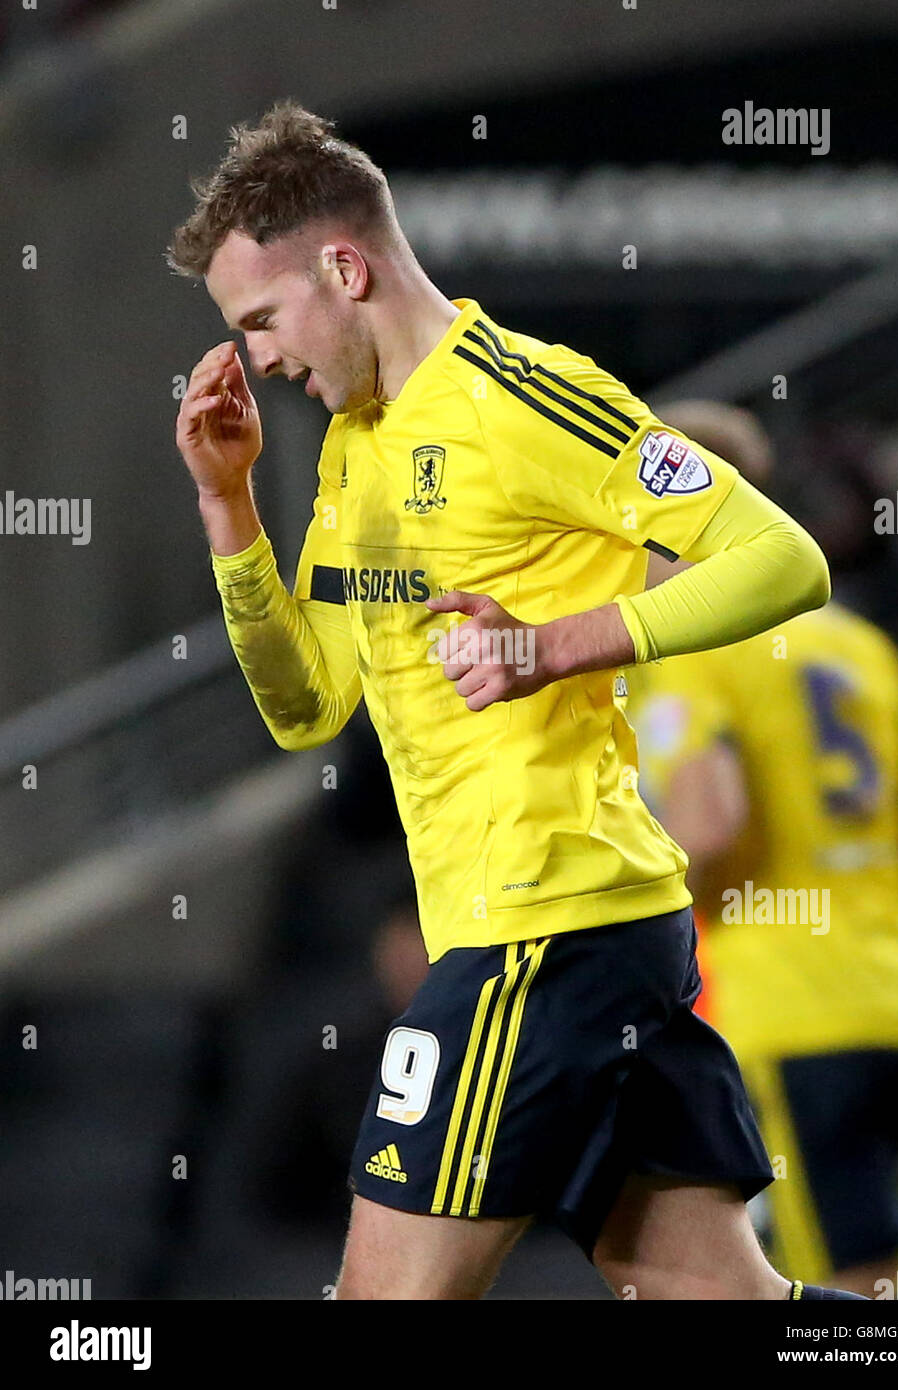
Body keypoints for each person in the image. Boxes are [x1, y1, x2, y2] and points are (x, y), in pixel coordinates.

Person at [167, 100, 854, 1301]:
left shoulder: (527, 398)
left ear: (344, 266)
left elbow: (782, 558)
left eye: (261, 320)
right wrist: (231, 515)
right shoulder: (350, 449)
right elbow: (308, 703)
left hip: (539, 927)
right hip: (581, 932)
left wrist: (554, 646)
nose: (258, 358)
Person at [629, 401, 898, 1297]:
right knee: (872, 1269)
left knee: (825, 1292)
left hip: (785, 1016)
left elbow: (705, 825)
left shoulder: (692, 645)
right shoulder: (864, 646)